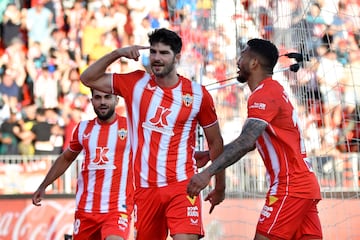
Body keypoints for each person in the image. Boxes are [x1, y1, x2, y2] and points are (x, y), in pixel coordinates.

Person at [80, 28, 225, 240]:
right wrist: (117, 53)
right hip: (145, 189)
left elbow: (215, 142)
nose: (157, 58)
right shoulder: (135, 83)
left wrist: (219, 185)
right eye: (154, 52)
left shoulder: (197, 94)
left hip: (183, 185)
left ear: (177, 57)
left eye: (164, 53)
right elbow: (87, 78)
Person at [187, 38, 323, 240]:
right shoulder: (273, 90)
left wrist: (208, 173)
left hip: (290, 186)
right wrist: (210, 154)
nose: (238, 60)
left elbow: (245, 142)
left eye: (243, 55)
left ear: (253, 63)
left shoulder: (264, 94)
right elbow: (254, 141)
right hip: (303, 185)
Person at [32, 89, 134, 240]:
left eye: (107, 97)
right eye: (97, 98)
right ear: (92, 101)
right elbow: (66, 158)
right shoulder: (83, 128)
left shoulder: (132, 128)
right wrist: (43, 185)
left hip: (117, 208)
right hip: (86, 210)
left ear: (116, 100)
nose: (103, 102)